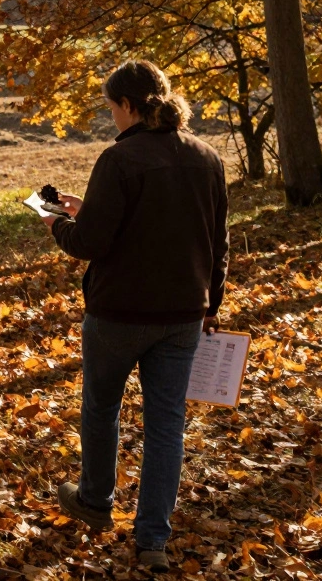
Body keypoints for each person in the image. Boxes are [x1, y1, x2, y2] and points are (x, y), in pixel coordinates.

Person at [40, 60, 228, 573]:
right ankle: (153, 542)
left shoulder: (118, 160)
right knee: (167, 424)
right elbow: (219, 241)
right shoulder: (207, 157)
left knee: (102, 406)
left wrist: (56, 222)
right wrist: (212, 303)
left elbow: (91, 242)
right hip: (185, 313)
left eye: (112, 109)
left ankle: (96, 501)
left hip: (119, 314)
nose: (112, 120)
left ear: (127, 105)